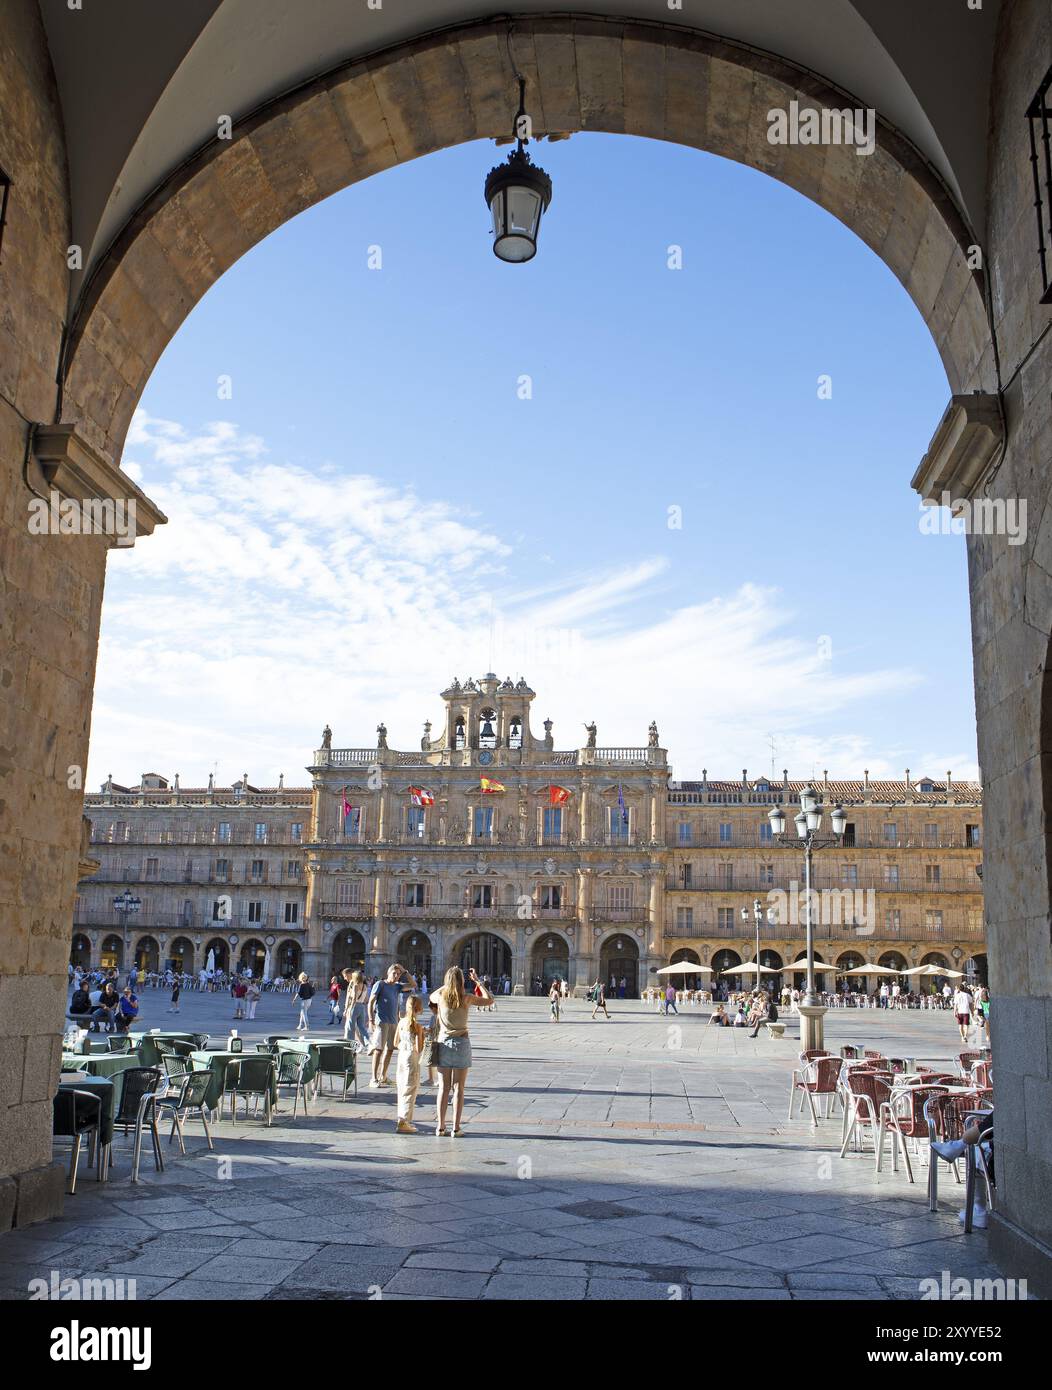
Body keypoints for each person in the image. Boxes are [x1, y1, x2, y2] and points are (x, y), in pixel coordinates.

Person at [430, 966, 491, 1137]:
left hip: (443, 1044)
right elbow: (489, 1000)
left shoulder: (440, 997)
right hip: (462, 1043)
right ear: (462, 981)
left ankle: (440, 1127)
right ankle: (456, 1128)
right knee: (459, 1088)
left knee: (443, 1087)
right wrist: (478, 982)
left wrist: (447, 984)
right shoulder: (467, 998)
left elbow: (431, 996)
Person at [368, 964, 417, 1087]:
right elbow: (371, 1002)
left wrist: (405, 971)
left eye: (398, 974)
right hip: (382, 1022)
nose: (396, 976)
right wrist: (370, 1019)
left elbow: (413, 985)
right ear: (388, 973)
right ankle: (373, 1078)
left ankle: (383, 1076)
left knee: (390, 1050)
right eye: (394, 973)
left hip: (394, 1022)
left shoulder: (397, 987)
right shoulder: (380, 984)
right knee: (379, 1050)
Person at [395, 995, 425, 1134]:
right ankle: (404, 1121)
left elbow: (395, 1043)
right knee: (411, 1088)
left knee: (402, 1087)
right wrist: (423, 1035)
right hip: (412, 1057)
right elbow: (419, 1049)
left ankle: (401, 1118)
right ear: (419, 1008)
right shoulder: (417, 1026)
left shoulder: (401, 1022)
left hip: (401, 1056)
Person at [342, 969, 370, 1048]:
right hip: (362, 1007)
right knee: (361, 1027)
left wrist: (349, 1008)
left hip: (354, 1006)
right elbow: (366, 999)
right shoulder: (365, 986)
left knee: (350, 1027)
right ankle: (368, 1042)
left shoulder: (354, 985)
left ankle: (349, 1044)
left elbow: (353, 998)